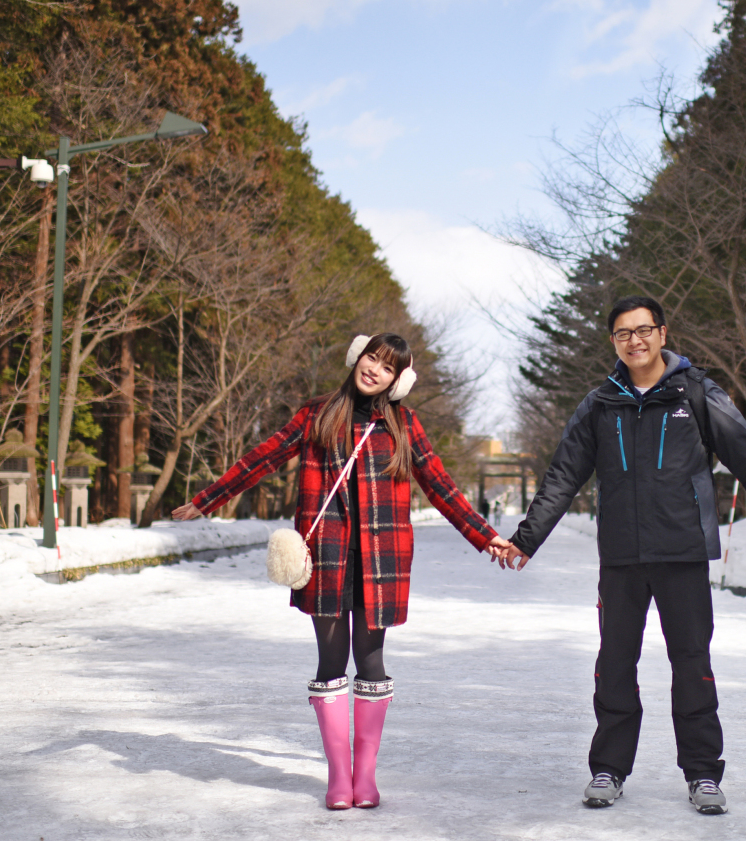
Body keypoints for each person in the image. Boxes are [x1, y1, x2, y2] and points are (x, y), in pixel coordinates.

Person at [495, 296, 746, 815]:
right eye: (624, 333)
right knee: (615, 663)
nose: (635, 340)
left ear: (663, 334)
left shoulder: (698, 394)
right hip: (621, 557)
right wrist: (527, 539)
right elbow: (563, 475)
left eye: (644, 330)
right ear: (614, 343)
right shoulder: (601, 403)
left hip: (682, 553)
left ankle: (704, 775)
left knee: (692, 663)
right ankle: (608, 768)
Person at [175, 332, 514, 811]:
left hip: (382, 561)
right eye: (372, 358)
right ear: (357, 357)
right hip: (328, 557)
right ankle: (339, 778)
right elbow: (263, 456)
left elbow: (441, 486)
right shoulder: (319, 413)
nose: (375, 369)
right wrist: (207, 500)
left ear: (399, 381)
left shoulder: (403, 425)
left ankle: (366, 777)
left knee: (371, 662)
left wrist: (486, 536)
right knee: (331, 663)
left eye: (388, 367)